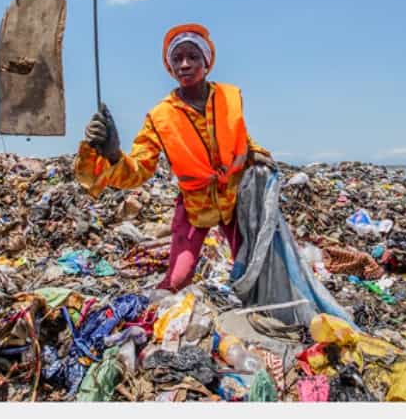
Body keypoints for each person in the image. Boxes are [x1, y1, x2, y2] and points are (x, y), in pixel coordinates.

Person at [78, 23, 274, 292]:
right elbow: (138, 170)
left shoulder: (229, 98)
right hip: (195, 206)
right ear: (169, 67)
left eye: (192, 57)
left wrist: (256, 154)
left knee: (252, 267)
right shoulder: (161, 116)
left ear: (206, 62)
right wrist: (112, 153)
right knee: (177, 279)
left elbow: (239, 137)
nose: (184, 64)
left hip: (234, 201)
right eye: (177, 59)